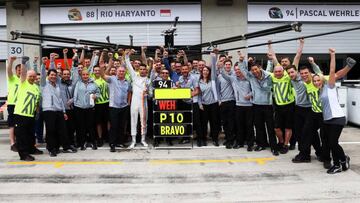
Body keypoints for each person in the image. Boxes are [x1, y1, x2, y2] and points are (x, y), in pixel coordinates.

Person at [314, 48, 352, 174]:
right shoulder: (319, 92)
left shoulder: (329, 86)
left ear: (322, 80)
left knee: (332, 143)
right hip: (328, 120)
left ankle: (341, 161)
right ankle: (340, 163)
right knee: (331, 144)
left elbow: (332, 71)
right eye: (314, 81)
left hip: (337, 118)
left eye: (318, 80)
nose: (316, 82)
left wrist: (333, 55)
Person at [238, 54, 279, 156]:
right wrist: (241, 60)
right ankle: (262, 144)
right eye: (253, 70)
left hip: (267, 105)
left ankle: (274, 147)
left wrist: (259, 82)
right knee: (259, 127)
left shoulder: (269, 76)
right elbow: (242, 69)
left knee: (270, 127)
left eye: (256, 69)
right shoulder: (251, 77)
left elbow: (267, 89)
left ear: (260, 68)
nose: (255, 72)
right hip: (256, 105)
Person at [40, 54, 76, 157]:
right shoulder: (44, 84)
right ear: (48, 75)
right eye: (51, 75)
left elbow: (60, 100)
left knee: (62, 130)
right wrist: (44, 63)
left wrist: (64, 112)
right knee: (51, 131)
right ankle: (52, 149)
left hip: (59, 110)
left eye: (55, 75)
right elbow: (43, 74)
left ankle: (66, 147)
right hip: (48, 110)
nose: (53, 76)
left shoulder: (57, 86)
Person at [287, 60, 322, 163]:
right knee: (299, 133)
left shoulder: (309, 79)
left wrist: (313, 63)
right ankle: (304, 154)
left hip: (309, 109)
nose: (290, 74)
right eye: (288, 73)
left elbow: (319, 74)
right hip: (298, 108)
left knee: (310, 133)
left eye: (292, 72)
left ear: (296, 72)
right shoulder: (293, 79)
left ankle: (318, 153)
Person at [13, 56, 43, 161]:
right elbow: (23, 72)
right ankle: (24, 154)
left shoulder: (36, 87)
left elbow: (37, 101)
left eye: (34, 76)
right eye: (30, 76)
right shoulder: (23, 83)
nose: (32, 78)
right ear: (26, 76)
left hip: (31, 115)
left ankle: (32, 149)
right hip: (20, 114)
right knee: (21, 136)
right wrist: (23, 63)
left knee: (31, 134)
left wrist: (37, 112)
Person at [221, 59, 254, 151]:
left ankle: (250, 144)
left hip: (249, 106)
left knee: (249, 125)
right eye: (235, 70)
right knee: (239, 125)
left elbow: (255, 89)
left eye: (239, 69)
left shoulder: (249, 79)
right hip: (238, 105)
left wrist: (250, 95)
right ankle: (240, 142)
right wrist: (220, 65)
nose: (237, 71)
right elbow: (224, 74)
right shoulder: (233, 78)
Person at [100, 60, 131, 152]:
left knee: (122, 126)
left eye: (123, 71)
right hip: (114, 107)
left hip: (124, 107)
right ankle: (112, 144)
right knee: (114, 126)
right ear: (117, 72)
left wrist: (128, 102)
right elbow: (103, 76)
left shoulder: (127, 81)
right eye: (119, 71)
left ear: (125, 72)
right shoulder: (112, 79)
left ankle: (120, 142)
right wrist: (102, 68)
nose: (121, 72)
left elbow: (129, 92)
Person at [125, 49, 151, 149]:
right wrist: (127, 55)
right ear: (138, 70)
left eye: (144, 69)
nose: (142, 71)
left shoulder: (148, 80)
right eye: (141, 69)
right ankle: (133, 140)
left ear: (146, 70)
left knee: (144, 121)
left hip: (144, 103)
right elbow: (128, 64)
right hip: (134, 103)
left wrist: (148, 93)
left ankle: (143, 140)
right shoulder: (134, 76)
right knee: (133, 121)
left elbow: (151, 93)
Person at [73, 68, 100, 150]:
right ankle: (82, 143)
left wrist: (96, 96)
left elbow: (98, 92)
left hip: (89, 108)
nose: (85, 76)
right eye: (83, 74)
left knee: (91, 126)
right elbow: (75, 95)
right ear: (81, 75)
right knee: (81, 127)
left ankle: (93, 142)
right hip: (79, 108)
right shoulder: (78, 83)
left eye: (87, 74)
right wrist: (75, 103)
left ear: (89, 75)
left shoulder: (93, 84)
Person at [198, 52, 220, 146]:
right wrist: (200, 104)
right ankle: (203, 139)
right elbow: (198, 95)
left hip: (214, 104)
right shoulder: (199, 82)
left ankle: (215, 139)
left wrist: (214, 57)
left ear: (209, 72)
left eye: (207, 70)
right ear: (202, 72)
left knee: (214, 123)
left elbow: (214, 68)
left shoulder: (213, 80)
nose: (205, 72)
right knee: (204, 124)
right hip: (204, 105)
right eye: (204, 70)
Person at [177, 65, 200, 146]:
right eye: (183, 69)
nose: (184, 70)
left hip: (193, 102)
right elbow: (180, 89)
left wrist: (190, 94)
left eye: (186, 69)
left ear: (188, 69)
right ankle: (186, 138)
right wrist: (177, 87)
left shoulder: (193, 78)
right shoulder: (180, 78)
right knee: (186, 121)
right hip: (184, 102)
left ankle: (199, 138)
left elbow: (197, 90)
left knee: (196, 121)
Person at [217, 59, 236, 149]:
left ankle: (230, 140)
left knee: (231, 122)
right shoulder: (220, 76)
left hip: (232, 101)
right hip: (223, 102)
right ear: (224, 65)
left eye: (229, 64)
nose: (228, 66)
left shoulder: (234, 74)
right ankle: (228, 138)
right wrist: (219, 100)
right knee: (224, 123)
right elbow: (218, 89)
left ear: (231, 66)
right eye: (226, 64)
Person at [6, 56, 21, 152]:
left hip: (21, 105)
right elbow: (8, 71)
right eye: (18, 70)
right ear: (16, 71)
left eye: (21, 70)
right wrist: (11, 61)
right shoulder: (12, 78)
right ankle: (12, 143)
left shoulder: (24, 80)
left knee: (19, 124)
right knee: (12, 124)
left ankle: (19, 141)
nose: (20, 71)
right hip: (12, 104)